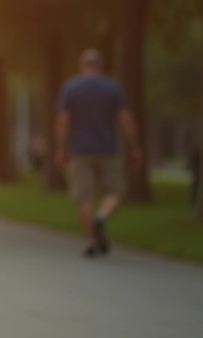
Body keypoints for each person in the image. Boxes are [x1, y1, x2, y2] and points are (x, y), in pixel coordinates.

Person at [54, 48, 142, 258]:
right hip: (108, 149)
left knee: (85, 197)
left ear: (82, 65)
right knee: (116, 191)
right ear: (101, 66)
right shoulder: (112, 88)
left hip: (80, 150)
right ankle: (102, 216)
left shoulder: (70, 88)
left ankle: (89, 242)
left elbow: (63, 121)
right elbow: (125, 119)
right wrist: (135, 146)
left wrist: (60, 148)